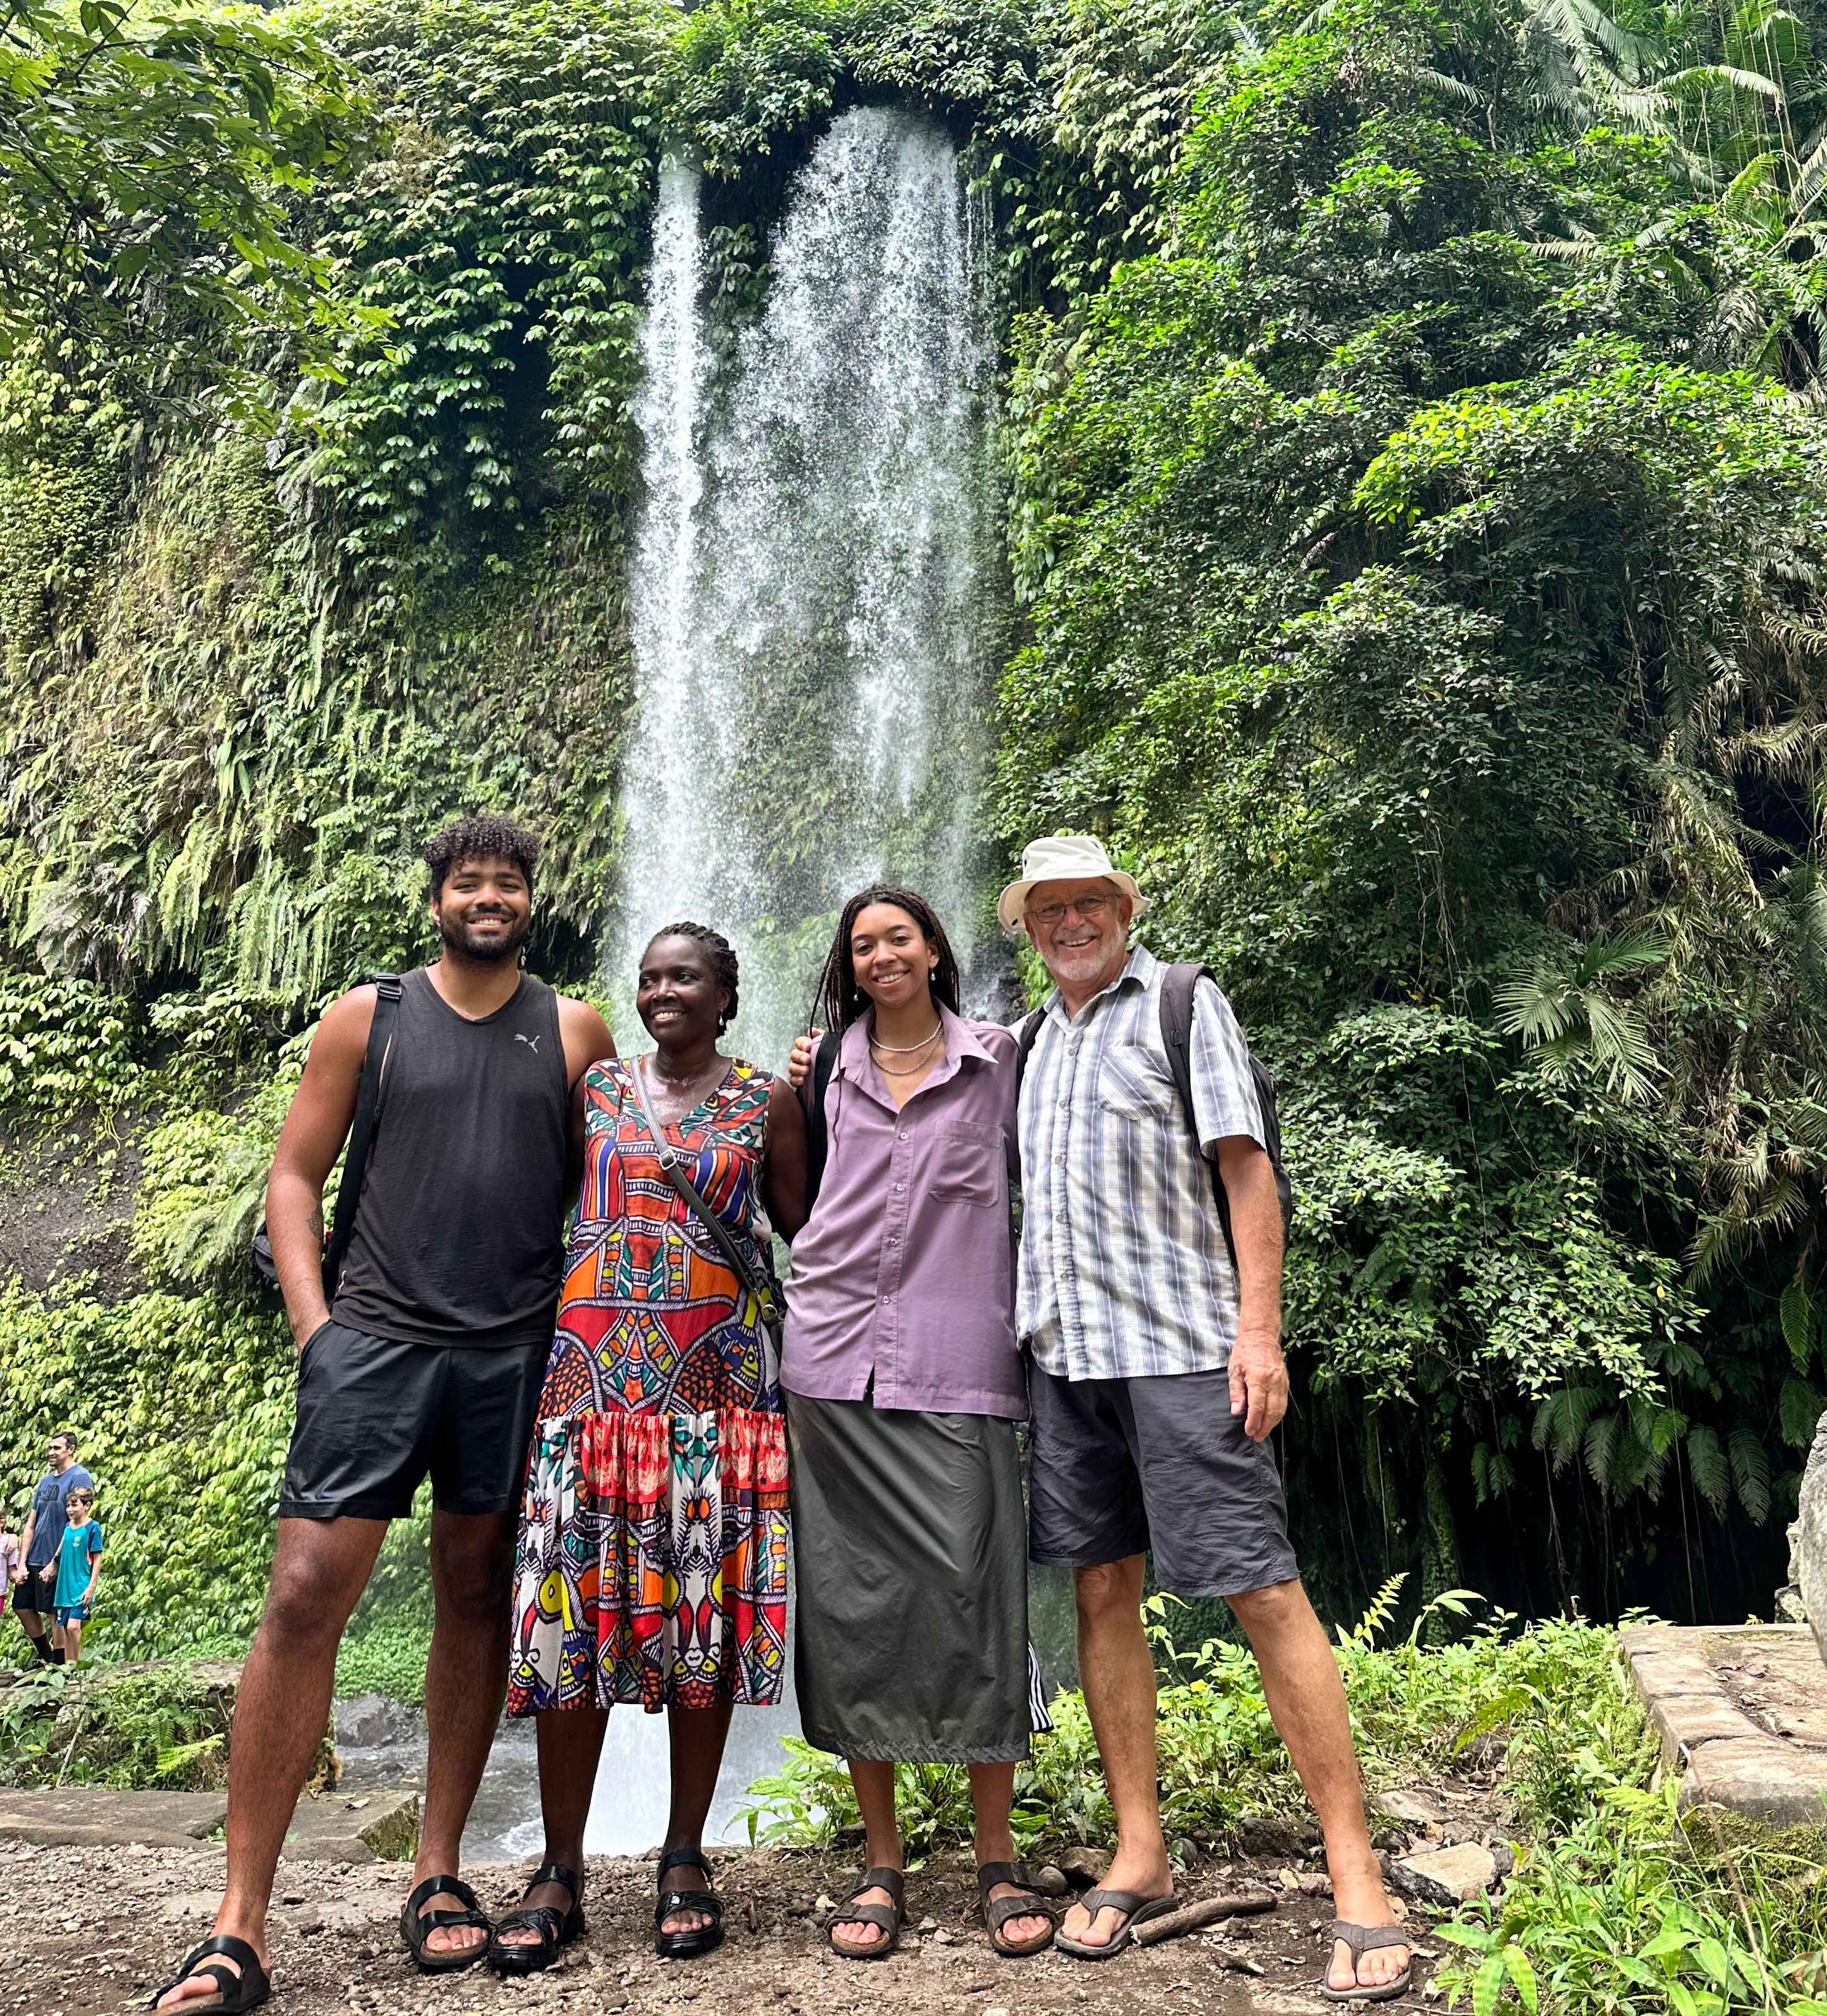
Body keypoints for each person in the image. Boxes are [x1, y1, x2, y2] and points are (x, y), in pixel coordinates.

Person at [153, 814, 616, 2015]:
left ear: (532, 900)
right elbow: (295, 1174)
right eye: (470, 882)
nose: (490, 897)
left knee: (472, 1593)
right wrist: (319, 1329)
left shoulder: (573, 1031)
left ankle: (438, 1871)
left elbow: (608, 1194)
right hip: (374, 1344)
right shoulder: (370, 1017)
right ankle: (238, 1923)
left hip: (508, 1355)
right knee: (306, 1589)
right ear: (437, 902)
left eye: (509, 882)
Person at [1005, 833, 1411, 1996]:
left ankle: (1355, 1872)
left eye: (1090, 902)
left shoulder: (1184, 1004)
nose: (1072, 922)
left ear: (1122, 911)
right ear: (1027, 927)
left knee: (1262, 1586)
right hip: (1065, 1358)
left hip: (1185, 1350)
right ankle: (1141, 1849)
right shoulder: (1029, 1042)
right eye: (1050, 908)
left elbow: (1245, 1169)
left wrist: (1258, 1332)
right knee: (1099, 1587)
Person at [493, 923, 807, 1974]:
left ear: (725, 997)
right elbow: (531, 1209)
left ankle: (683, 1855)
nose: (663, 990)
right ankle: (559, 1865)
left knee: (699, 1628)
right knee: (558, 1632)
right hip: (585, 1401)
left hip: (715, 1398)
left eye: (687, 977)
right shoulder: (592, 1091)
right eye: (652, 976)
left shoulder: (769, 1101)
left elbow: (809, 1220)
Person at [782, 885, 1056, 1964]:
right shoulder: (820, 1070)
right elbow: (792, 1204)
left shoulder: (1001, 1061)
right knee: (854, 1606)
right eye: (862, 943)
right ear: (848, 968)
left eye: (899, 936)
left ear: (934, 950)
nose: (882, 953)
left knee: (973, 1595)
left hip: (957, 1361)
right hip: (831, 1363)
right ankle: (882, 1859)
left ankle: (994, 1854)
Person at [13, 1431, 92, 1665]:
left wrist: (55, 1561)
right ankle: (46, 1656)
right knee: (22, 1606)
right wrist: (21, 1562)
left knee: (54, 1612)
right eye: (50, 1448)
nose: (51, 1452)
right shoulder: (46, 1481)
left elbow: (75, 1523)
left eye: (57, 1448)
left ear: (71, 1449)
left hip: (59, 1556)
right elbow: (31, 1523)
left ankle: (59, 1665)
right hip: (35, 1553)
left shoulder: (80, 1477)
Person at [51, 1484, 102, 1665]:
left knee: (74, 1627)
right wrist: (51, 1565)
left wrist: (91, 1586)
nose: (70, 1510)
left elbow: (98, 1557)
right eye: (68, 1506)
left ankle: (79, 1665)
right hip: (65, 1585)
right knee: (65, 1627)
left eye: (75, 1506)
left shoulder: (93, 1528)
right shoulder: (68, 1526)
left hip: (81, 1583)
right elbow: (62, 1547)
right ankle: (69, 1667)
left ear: (87, 1506)